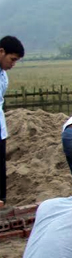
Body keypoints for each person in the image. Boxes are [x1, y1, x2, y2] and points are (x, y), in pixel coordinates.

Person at [0, 36, 24, 207]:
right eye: (12, 59)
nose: (13, 64)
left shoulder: (4, 76)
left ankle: (1, 200)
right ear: (1, 52)